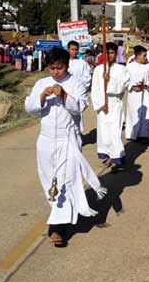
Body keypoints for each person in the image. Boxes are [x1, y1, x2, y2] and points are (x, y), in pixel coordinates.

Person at [24, 47, 107, 247]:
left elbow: (79, 108)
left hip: (67, 139)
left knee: (65, 180)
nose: (55, 72)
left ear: (67, 66)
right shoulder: (41, 83)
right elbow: (29, 108)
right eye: (52, 68)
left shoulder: (75, 84)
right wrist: (41, 98)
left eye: (59, 68)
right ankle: (60, 213)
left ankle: (56, 228)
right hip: (46, 141)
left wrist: (63, 95)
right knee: (49, 182)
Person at [91, 42, 130, 169]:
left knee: (114, 132)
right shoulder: (98, 69)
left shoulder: (122, 69)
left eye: (112, 53)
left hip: (114, 103)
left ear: (116, 54)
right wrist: (100, 104)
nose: (109, 55)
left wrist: (109, 80)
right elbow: (95, 89)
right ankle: (107, 155)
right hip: (102, 105)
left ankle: (116, 158)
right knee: (103, 132)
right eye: (107, 53)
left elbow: (123, 87)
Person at [125, 45, 149, 142]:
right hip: (133, 94)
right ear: (137, 56)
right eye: (144, 55)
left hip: (145, 93)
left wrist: (145, 84)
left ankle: (144, 135)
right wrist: (133, 87)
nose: (146, 58)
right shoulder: (129, 67)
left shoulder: (148, 67)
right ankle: (133, 134)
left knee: (145, 114)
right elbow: (125, 80)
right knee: (134, 113)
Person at [67, 41, 92, 134]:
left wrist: (77, 84)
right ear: (68, 50)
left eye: (76, 50)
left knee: (77, 113)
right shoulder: (64, 62)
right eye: (72, 49)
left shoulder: (82, 63)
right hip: (66, 92)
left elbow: (87, 78)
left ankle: (78, 134)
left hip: (77, 93)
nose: (74, 51)